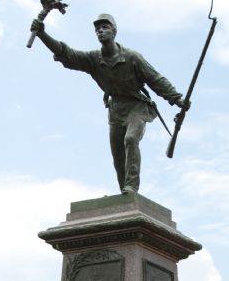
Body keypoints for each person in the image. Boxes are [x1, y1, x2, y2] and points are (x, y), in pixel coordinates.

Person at [30, 14, 189, 194]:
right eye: (97, 29)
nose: (100, 31)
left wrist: (177, 99)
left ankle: (131, 186)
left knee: (130, 139)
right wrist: (42, 34)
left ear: (114, 31)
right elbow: (66, 53)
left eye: (105, 27)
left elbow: (156, 79)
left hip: (137, 107)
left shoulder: (132, 57)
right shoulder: (93, 59)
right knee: (118, 156)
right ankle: (125, 194)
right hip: (116, 110)